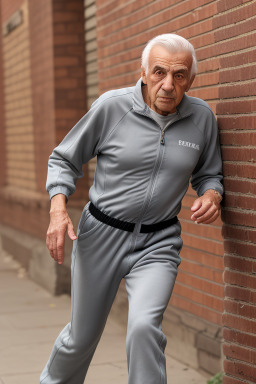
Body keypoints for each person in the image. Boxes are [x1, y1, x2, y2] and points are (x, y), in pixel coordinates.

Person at [40, 34, 223, 384]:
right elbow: (63, 160)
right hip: (101, 237)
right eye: (159, 72)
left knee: (143, 328)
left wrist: (212, 195)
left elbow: (210, 173)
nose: (168, 85)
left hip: (159, 242)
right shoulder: (112, 107)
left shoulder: (201, 119)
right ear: (143, 71)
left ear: (191, 79)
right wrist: (58, 209)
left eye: (179, 75)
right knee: (81, 338)